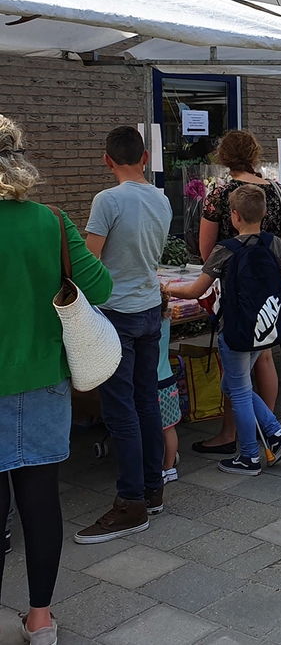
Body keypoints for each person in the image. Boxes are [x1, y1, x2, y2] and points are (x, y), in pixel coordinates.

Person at [1, 115, 113, 643]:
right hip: (45, 380)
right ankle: (40, 619)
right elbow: (102, 286)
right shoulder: (50, 220)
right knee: (41, 502)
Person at [76, 126, 171, 545]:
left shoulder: (107, 200)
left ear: (106, 160)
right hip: (151, 307)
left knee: (120, 411)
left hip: (117, 313)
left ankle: (131, 502)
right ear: (145, 158)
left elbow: (89, 262)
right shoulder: (162, 198)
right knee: (145, 402)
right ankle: (152, 490)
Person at [164, 185, 281, 476]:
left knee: (237, 390)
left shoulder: (226, 249)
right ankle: (275, 433)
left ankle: (250, 456)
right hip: (264, 327)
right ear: (263, 213)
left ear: (234, 216)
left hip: (235, 330)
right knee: (236, 387)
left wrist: (166, 288)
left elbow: (197, 290)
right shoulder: (273, 243)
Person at [196, 130, 281, 454]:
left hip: (235, 287)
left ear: (223, 156)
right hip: (270, 283)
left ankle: (231, 433)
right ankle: (268, 428)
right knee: (264, 354)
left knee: (236, 369)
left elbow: (206, 248)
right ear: (254, 152)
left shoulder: (221, 191)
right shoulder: (274, 189)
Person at [158, 297, 180, 484]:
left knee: (150, 429)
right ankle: (169, 467)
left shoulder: (145, 325)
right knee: (169, 428)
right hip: (168, 380)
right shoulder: (166, 319)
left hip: (150, 383)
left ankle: (155, 468)